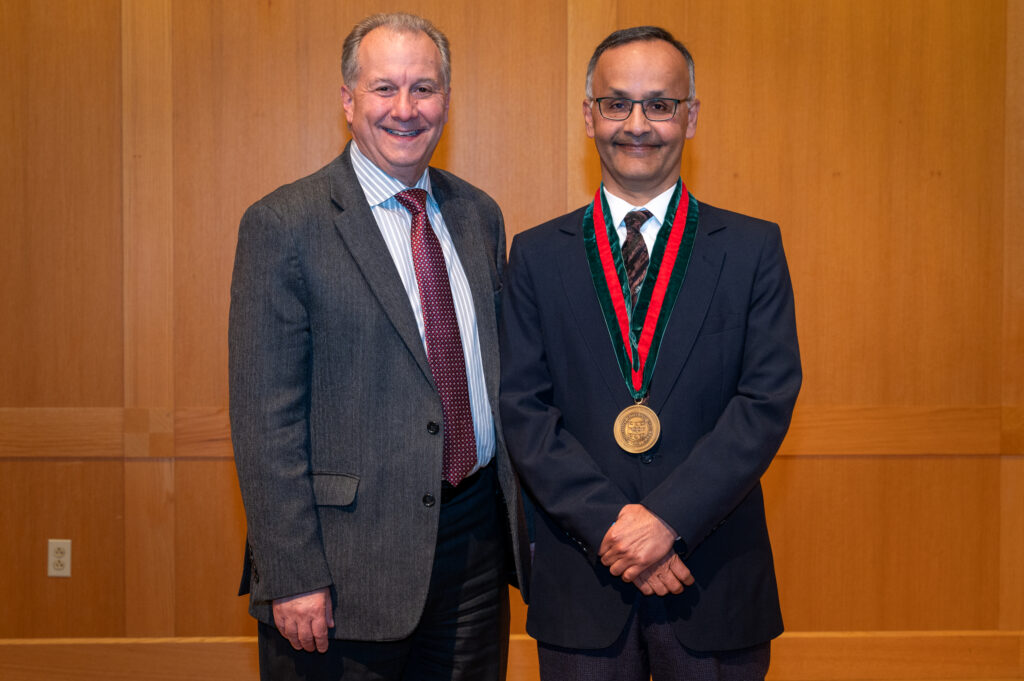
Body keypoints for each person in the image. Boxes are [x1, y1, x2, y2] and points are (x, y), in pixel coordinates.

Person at [229, 12, 527, 681]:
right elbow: (263, 419)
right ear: (348, 100)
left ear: (446, 101)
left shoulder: (480, 215)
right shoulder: (285, 224)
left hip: (474, 548)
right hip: (341, 567)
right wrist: (293, 573)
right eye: (383, 88)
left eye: (423, 88)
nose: (404, 108)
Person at [499, 26, 801, 680]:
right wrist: (618, 527)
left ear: (690, 118)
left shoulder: (752, 250)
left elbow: (765, 400)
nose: (637, 124)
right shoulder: (535, 256)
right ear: (589, 116)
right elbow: (524, 411)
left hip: (712, 577)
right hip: (585, 582)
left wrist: (668, 519)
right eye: (617, 104)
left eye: (660, 105)